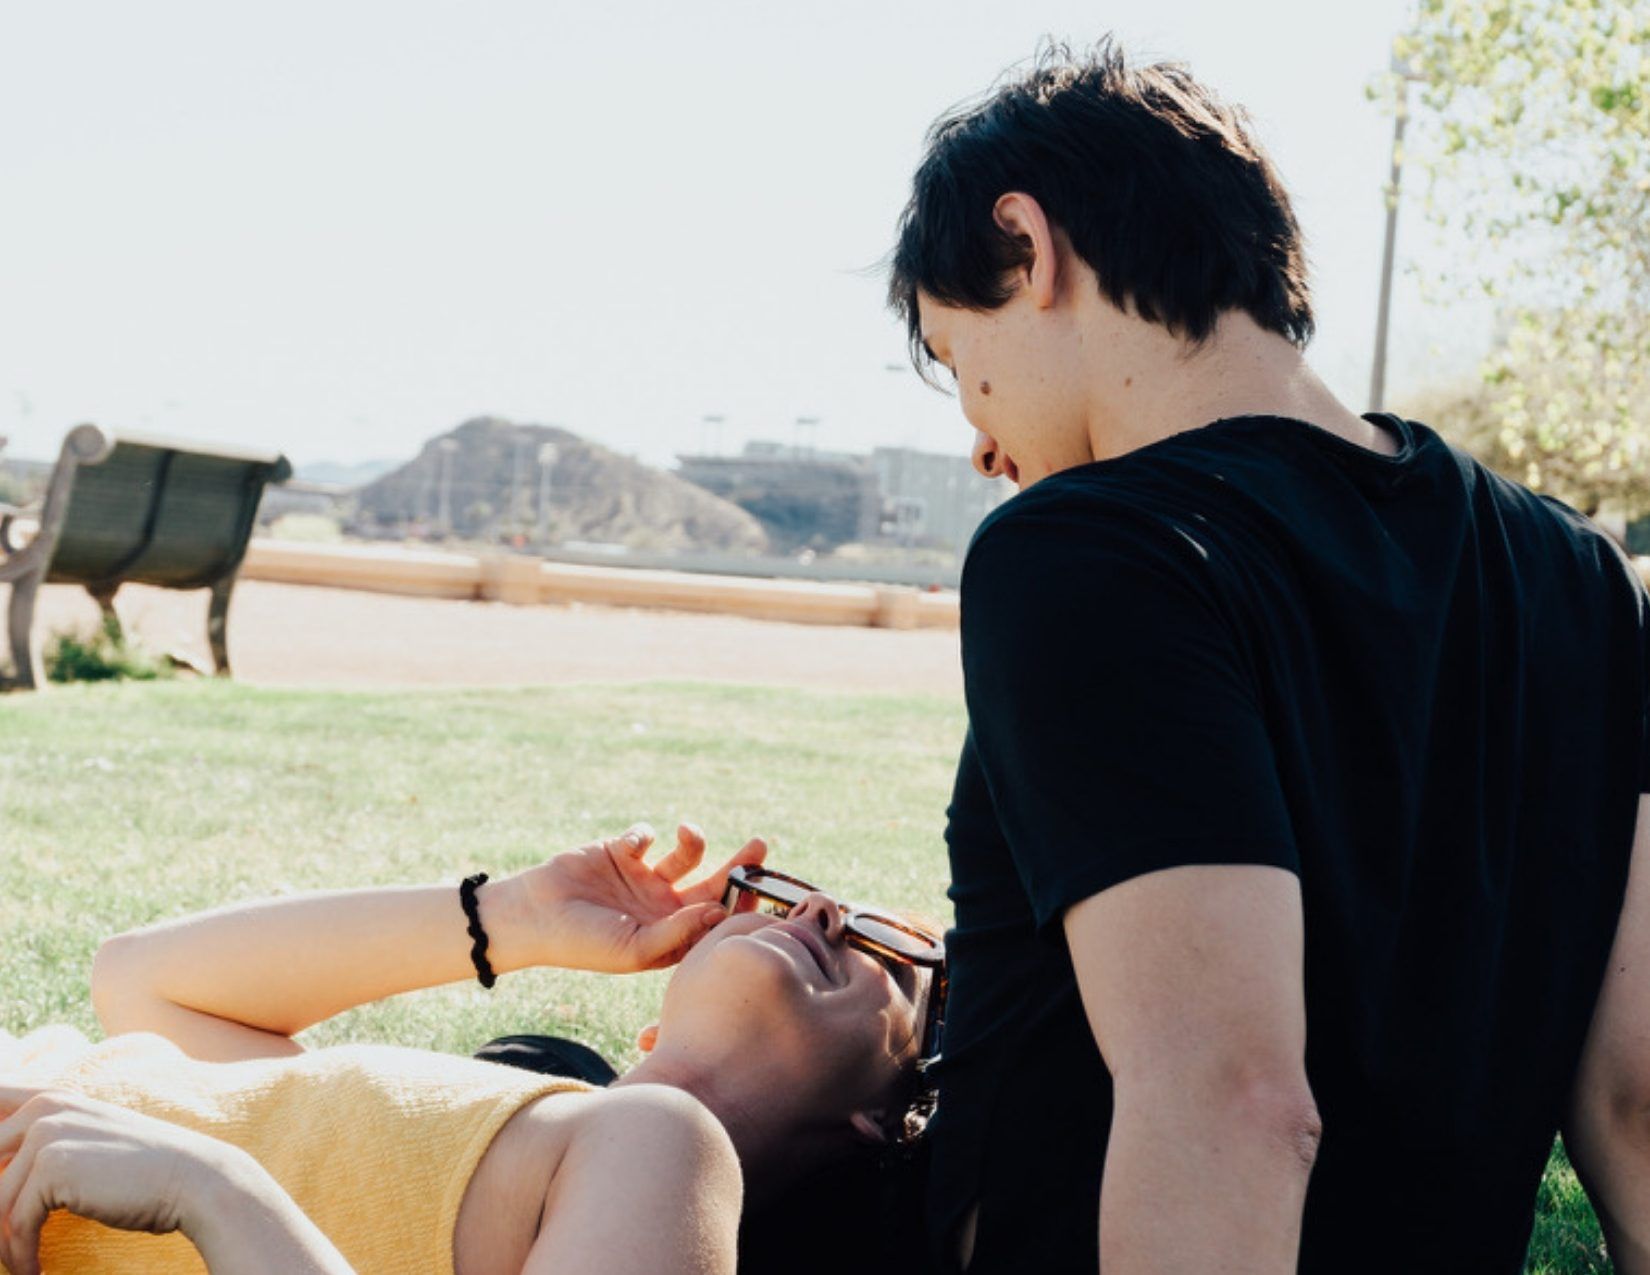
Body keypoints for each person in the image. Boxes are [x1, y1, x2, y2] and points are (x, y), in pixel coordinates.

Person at [886, 37, 1650, 1275]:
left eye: (953, 361)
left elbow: (1231, 1105)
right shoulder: (1581, 576)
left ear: (1026, 247)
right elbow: (1635, 1104)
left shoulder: (1089, 550)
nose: (980, 440)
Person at [0, 824, 944, 1275]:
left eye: (888, 952)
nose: (822, 909)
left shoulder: (666, 1152)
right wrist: (510, 917)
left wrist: (213, 1193)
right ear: (646, 1031)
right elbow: (142, 982)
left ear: (890, 1117)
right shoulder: (501, 1117)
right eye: (818, 899)